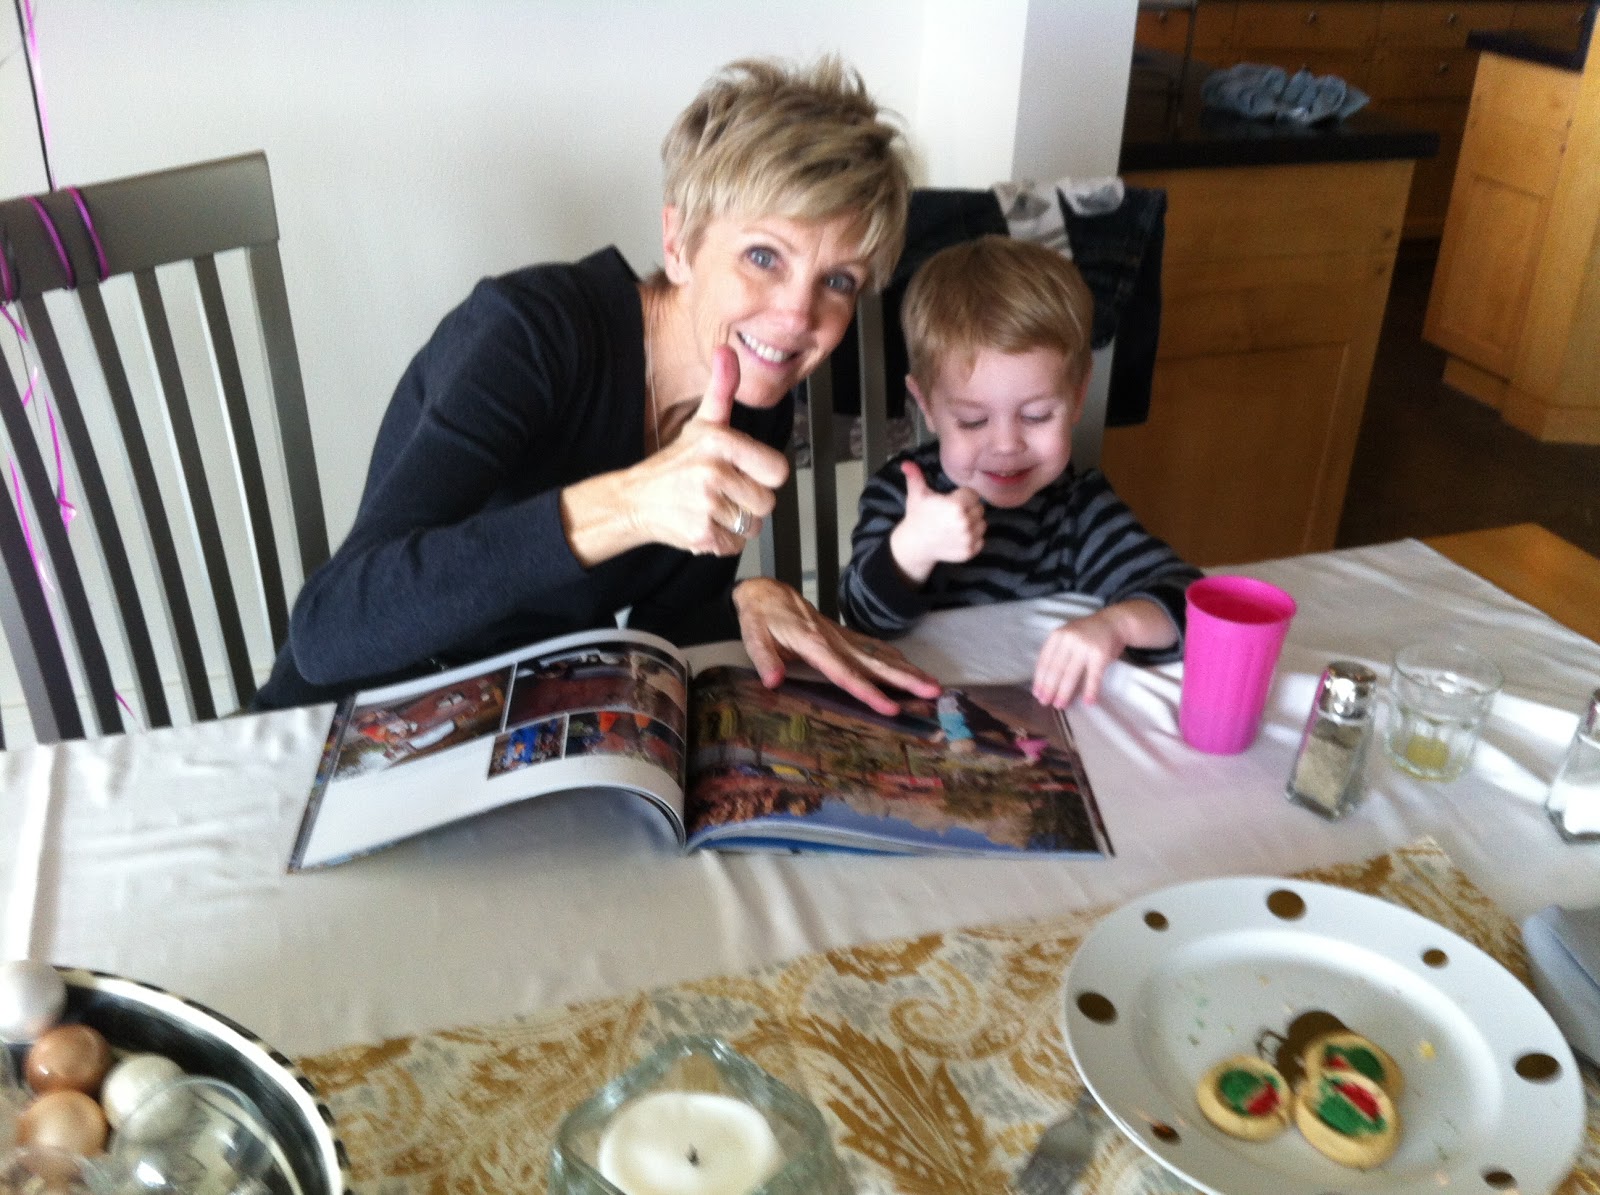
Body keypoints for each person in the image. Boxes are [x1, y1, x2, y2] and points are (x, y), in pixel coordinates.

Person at [256, 57, 939, 715]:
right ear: (678, 243)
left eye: (837, 281)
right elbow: (328, 632)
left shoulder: (750, 400)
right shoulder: (528, 333)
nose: (797, 317)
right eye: (763, 256)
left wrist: (743, 601)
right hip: (338, 727)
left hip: (525, 724)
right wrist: (630, 504)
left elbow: (666, 630)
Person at [838, 236, 1201, 708]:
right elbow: (862, 619)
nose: (1007, 445)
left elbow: (1192, 604)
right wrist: (913, 548)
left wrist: (1117, 625)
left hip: (1043, 716)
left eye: (1036, 416)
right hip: (924, 711)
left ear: (1077, 397)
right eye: (973, 420)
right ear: (926, 405)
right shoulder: (903, 494)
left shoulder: (1079, 508)